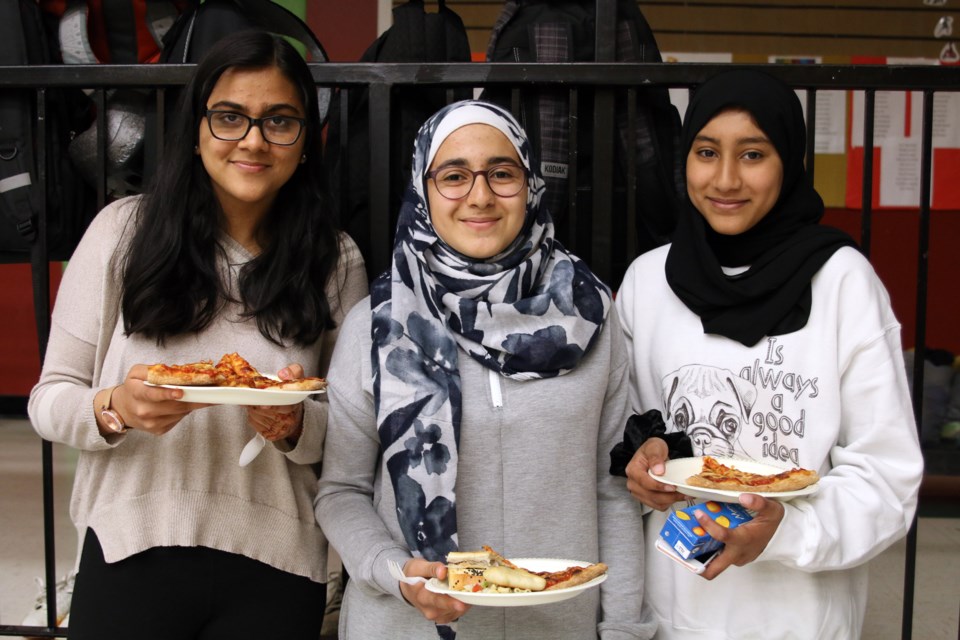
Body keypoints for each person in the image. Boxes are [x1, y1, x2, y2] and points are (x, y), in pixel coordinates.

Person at [27, 30, 367, 639]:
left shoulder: (333, 259)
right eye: (230, 117)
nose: (254, 141)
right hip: (129, 548)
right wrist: (115, 409)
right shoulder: (120, 234)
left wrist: (293, 425)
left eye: (279, 121)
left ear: (305, 143)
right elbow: (50, 399)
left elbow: (349, 431)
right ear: (196, 131)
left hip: (277, 563)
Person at [314, 100, 655, 639]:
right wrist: (395, 572)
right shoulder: (378, 322)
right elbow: (340, 491)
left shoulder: (588, 313)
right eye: (453, 176)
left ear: (531, 185)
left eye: (502, 173)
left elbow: (611, 489)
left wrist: (623, 630)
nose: (480, 195)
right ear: (422, 190)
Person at [614, 69, 924, 639]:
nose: (726, 179)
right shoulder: (647, 283)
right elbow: (627, 433)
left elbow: (886, 477)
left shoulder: (841, 283)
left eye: (753, 154)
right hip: (670, 614)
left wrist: (783, 532)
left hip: (799, 619)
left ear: (789, 161)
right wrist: (638, 463)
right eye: (707, 152)